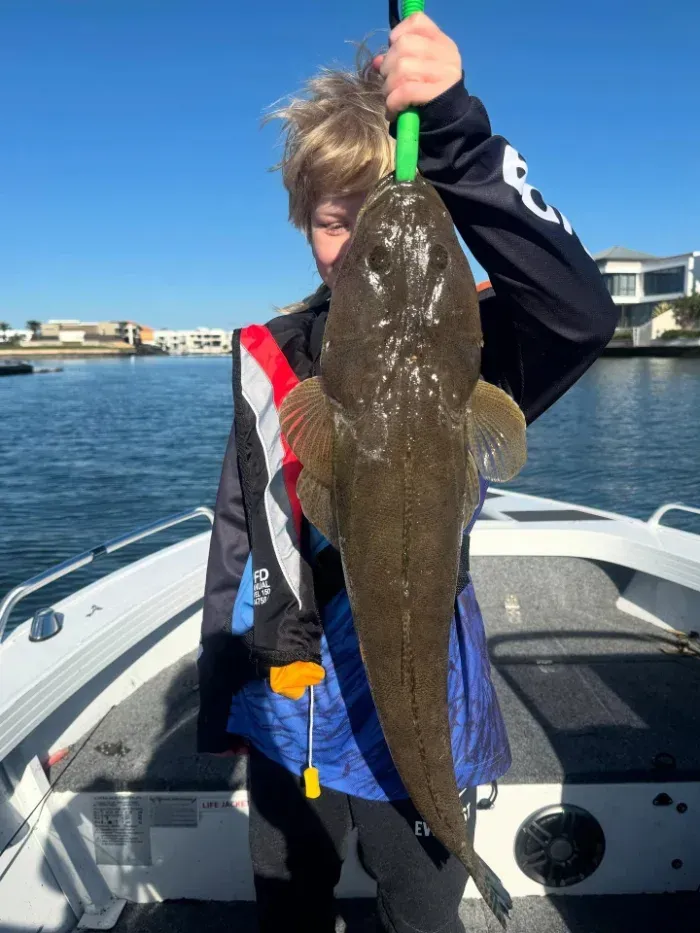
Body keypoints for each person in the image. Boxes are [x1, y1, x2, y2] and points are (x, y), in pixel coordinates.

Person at [197, 12, 619, 933]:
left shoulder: (474, 353)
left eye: (385, 210)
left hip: (426, 658)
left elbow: (583, 314)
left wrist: (460, 137)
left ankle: (455, 854)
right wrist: (231, 676)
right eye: (333, 221)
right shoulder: (276, 358)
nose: (357, 244)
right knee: (290, 893)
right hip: (295, 681)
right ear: (302, 223)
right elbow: (244, 528)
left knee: (423, 899)